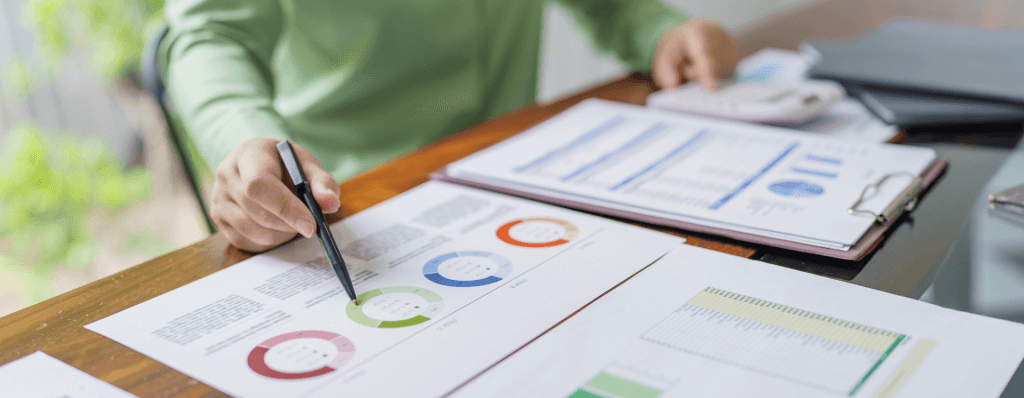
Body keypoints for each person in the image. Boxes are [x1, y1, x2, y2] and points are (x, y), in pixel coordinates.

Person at [163, 1, 739, 252]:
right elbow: (210, 35)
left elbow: (611, 6)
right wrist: (244, 137)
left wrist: (660, 31)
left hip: (520, 168)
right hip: (346, 195)